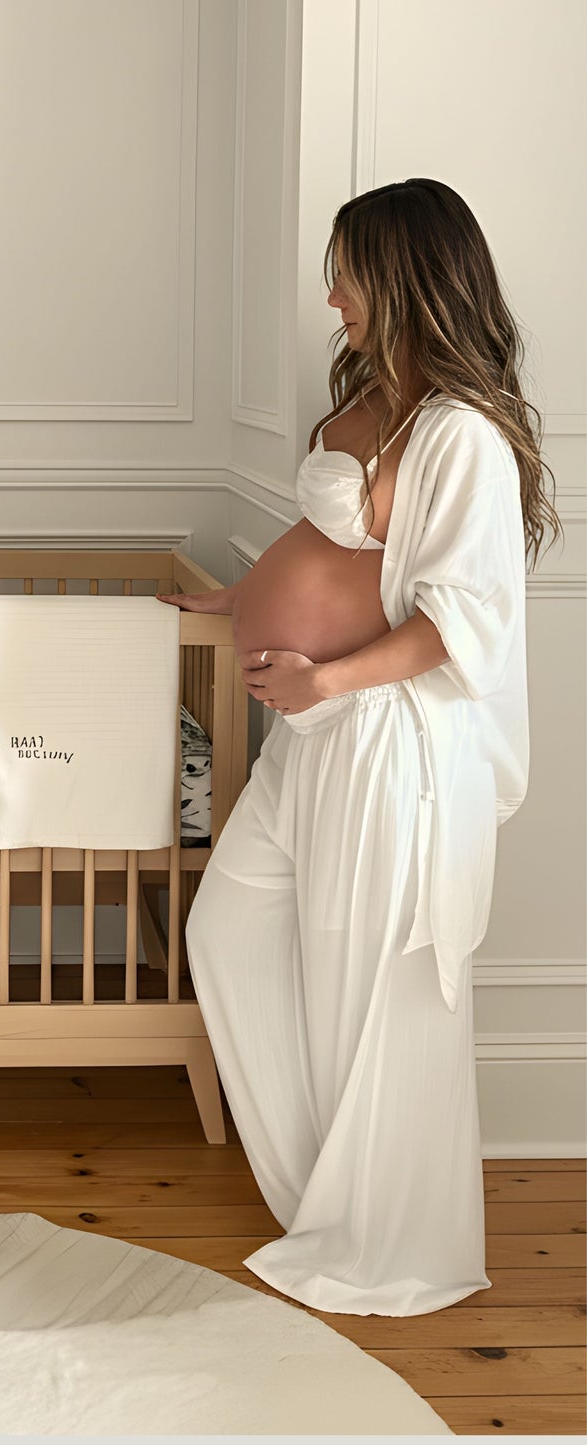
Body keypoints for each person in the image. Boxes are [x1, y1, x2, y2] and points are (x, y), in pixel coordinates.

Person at [159, 178, 561, 1317]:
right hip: (311, 739)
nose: (326, 293)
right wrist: (236, 601)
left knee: (368, 988)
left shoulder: (460, 439)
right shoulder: (373, 399)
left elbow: (458, 619)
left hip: (385, 743)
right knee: (228, 929)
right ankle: (319, 1193)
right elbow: (332, 556)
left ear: (401, 277)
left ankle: (382, 1235)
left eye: (344, 269)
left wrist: (320, 672)